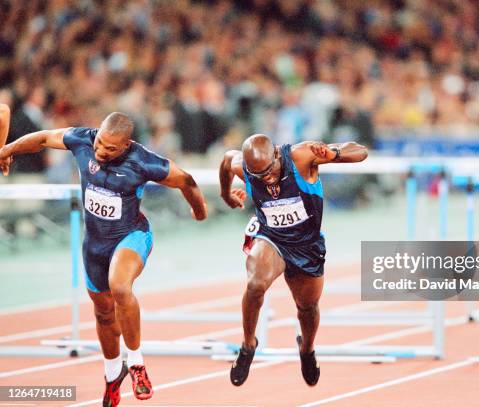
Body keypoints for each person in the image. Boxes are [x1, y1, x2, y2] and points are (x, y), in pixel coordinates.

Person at [0, 112, 207, 407]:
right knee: (103, 314)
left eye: (109, 149)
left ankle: (136, 363)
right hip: (95, 245)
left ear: (126, 145)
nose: (100, 151)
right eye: (99, 144)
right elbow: (44, 138)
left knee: (120, 286)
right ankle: (113, 374)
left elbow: (186, 180)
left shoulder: (143, 161)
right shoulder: (83, 139)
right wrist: (7, 150)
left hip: (131, 236)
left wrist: (199, 211)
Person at [219, 134, 367, 386]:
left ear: (276, 154)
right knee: (255, 285)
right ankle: (248, 345)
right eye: (257, 176)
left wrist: (335, 155)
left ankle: (307, 349)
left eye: (268, 171)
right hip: (272, 238)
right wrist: (226, 195)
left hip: (307, 246)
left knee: (307, 308)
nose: (265, 179)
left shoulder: (300, 156)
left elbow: (360, 150)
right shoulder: (243, 166)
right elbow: (225, 161)